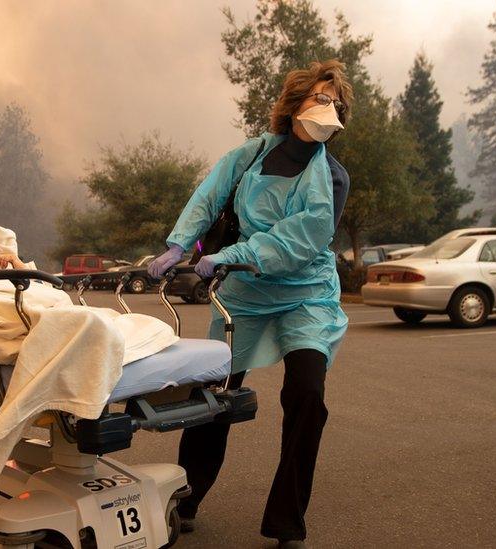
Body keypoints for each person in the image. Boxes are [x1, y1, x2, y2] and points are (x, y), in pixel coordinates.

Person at [148, 59, 353, 548]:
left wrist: (231, 254)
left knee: (307, 395)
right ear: (296, 101)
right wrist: (181, 244)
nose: (329, 110)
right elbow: (209, 195)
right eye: (321, 98)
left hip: (306, 294)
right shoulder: (251, 155)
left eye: (337, 103)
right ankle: (186, 497)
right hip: (246, 293)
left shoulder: (334, 178)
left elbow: (300, 240)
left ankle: (287, 521)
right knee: (213, 398)